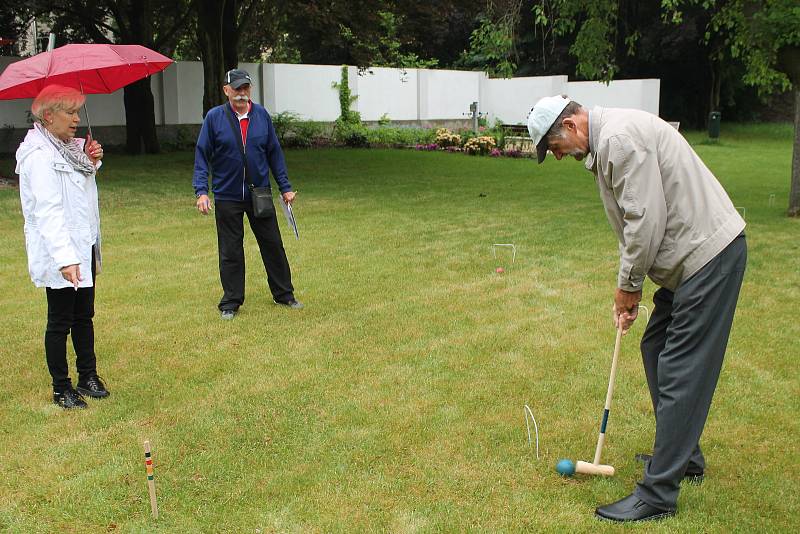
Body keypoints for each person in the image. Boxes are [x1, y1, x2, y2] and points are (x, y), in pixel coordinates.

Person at [527, 95, 746, 522]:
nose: (557, 157)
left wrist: (628, 289)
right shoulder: (607, 141)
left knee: (680, 367)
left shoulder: (619, 140)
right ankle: (685, 456)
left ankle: (659, 493)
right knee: (656, 346)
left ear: (571, 125)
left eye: (554, 147)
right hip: (689, 261)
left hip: (708, 257)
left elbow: (644, 221)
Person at [15, 84, 110, 409]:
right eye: (70, 112)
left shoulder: (69, 148)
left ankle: (88, 375)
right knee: (60, 320)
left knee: (84, 314)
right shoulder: (39, 157)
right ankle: (61, 388)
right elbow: (49, 211)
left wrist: (91, 162)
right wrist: (66, 259)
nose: (76, 119)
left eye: (77, 111)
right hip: (61, 253)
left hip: (83, 245)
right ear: (49, 115)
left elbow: (79, 193)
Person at [193, 69, 302, 319]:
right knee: (230, 250)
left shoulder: (261, 115)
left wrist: (285, 187)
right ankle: (231, 302)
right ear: (226, 90)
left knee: (273, 244)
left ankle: (284, 295)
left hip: (259, 193)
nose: (242, 93)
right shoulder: (214, 118)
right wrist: (201, 191)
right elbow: (202, 156)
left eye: (246, 88)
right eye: (237, 88)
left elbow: (274, 152)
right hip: (227, 195)